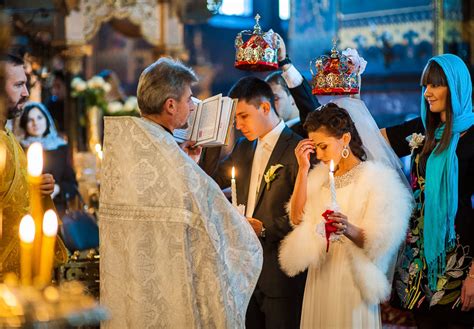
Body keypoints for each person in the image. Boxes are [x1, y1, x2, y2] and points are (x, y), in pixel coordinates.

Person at [99, 57, 263, 329]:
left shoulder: (127, 146)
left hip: (132, 286)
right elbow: (211, 220)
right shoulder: (171, 159)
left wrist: (189, 163)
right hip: (168, 284)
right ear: (170, 105)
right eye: (189, 99)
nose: (192, 106)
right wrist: (244, 229)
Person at [279, 102, 413, 328]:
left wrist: (347, 228)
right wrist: (302, 169)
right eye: (315, 148)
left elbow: (379, 242)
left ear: (345, 139)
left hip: (351, 279)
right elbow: (297, 218)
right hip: (321, 273)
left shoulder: (375, 179)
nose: (319, 155)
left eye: (324, 146)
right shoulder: (318, 177)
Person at [381, 54, 474, 328]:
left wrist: (473, 274)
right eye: (425, 86)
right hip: (419, 258)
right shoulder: (422, 130)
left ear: (456, 87)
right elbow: (365, 139)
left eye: (435, 85)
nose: (427, 93)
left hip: (461, 256)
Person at [210, 76, 306, 329]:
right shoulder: (243, 148)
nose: (239, 125)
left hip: (280, 273)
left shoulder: (296, 148)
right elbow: (210, 180)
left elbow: (304, 213)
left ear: (265, 107)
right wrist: (201, 146)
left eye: (243, 116)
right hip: (244, 273)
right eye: (235, 119)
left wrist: (263, 228)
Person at [0, 54, 67, 277]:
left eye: (25, 85)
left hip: (21, 269)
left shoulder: (7, 135)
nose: (26, 93)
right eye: (18, 85)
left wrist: (36, 187)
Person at [19, 101, 78, 215]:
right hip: (28, 211)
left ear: (47, 119)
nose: (35, 123)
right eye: (30, 120)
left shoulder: (60, 147)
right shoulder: (20, 148)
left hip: (57, 210)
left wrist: (57, 188)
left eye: (39, 117)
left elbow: (72, 185)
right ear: (24, 124)